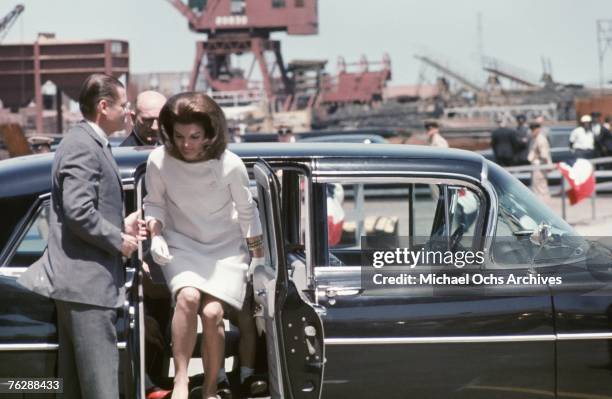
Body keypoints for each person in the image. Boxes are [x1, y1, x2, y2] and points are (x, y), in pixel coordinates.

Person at [17, 73, 147, 399]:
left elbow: (83, 210)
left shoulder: (83, 142)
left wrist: (122, 224)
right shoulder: (84, 147)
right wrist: (119, 240)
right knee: (100, 388)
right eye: (124, 106)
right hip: (88, 287)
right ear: (104, 107)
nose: (128, 112)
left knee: (75, 389)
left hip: (80, 285)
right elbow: (78, 211)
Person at [143, 92, 265, 399]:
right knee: (187, 296)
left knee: (212, 314)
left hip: (225, 249)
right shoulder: (158, 161)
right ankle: (182, 380)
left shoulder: (230, 165)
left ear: (210, 134)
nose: (187, 144)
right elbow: (154, 205)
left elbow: (247, 213)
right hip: (181, 244)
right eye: (180, 136)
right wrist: (155, 235)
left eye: (195, 136)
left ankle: (211, 389)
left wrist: (257, 258)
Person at [527, 121, 552, 199]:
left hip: (540, 164)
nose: (532, 131)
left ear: (538, 129)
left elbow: (544, 155)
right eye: (532, 130)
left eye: (533, 130)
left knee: (540, 184)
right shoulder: (535, 138)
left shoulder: (541, 139)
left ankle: (543, 200)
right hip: (536, 164)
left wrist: (547, 165)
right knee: (537, 184)